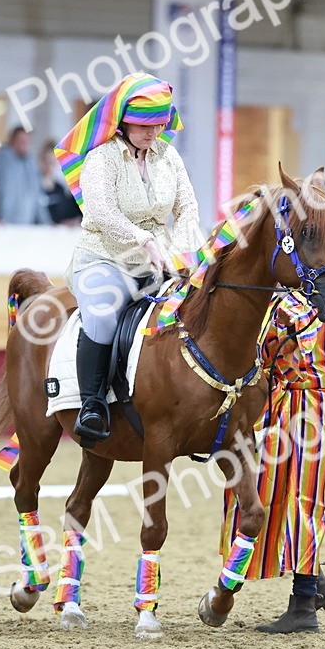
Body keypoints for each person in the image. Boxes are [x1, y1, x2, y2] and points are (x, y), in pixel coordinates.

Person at [56, 73, 200, 445]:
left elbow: (188, 207)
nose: (154, 134)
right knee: (103, 316)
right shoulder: (102, 158)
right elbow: (100, 212)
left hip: (160, 261)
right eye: (145, 126)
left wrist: (185, 250)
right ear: (123, 121)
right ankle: (91, 405)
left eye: (160, 125)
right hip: (106, 257)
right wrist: (143, 238)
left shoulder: (169, 157)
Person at [219, 292, 325, 633]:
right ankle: (315, 581)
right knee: (272, 496)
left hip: (306, 406)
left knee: (302, 500)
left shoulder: (292, 307)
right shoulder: (320, 296)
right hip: (297, 404)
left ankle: (304, 602)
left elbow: (268, 353)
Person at [0, 127, 49, 225]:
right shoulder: (2, 161)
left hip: (26, 226)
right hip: (2, 224)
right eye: (21, 140)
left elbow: (37, 196)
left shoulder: (31, 164)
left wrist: (46, 222)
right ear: (13, 140)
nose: (25, 144)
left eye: (27, 141)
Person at [39, 139, 82, 225]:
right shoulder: (35, 186)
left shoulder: (60, 188)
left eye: (52, 162)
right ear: (41, 161)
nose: (49, 165)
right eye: (47, 161)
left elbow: (63, 215)